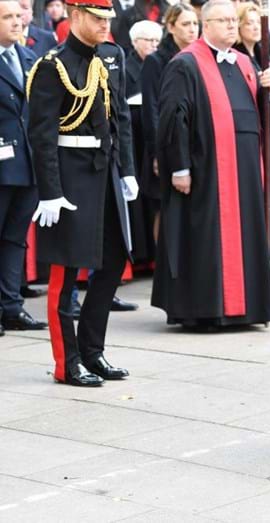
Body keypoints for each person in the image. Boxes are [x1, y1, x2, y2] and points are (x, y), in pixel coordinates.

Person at [28, 0, 137, 386]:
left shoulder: (111, 56)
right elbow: (40, 135)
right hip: (70, 177)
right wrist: (50, 192)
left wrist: (128, 170)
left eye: (108, 18)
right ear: (74, 16)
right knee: (65, 273)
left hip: (105, 173)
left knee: (111, 264)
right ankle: (67, 362)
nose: (105, 25)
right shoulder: (51, 65)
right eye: (96, 18)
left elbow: (120, 115)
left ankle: (93, 351)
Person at [152, 0, 270, 330]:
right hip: (207, 170)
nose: (232, 26)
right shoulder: (187, 64)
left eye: (233, 20)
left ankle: (247, 309)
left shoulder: (245, 62)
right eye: (223, 20)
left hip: (244, 171)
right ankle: (206, 310)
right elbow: (172, 119)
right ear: (206, 25)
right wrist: (179, 167)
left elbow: (258, 113)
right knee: (206, 239)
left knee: (246, 235)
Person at [0, 0, 47, 337]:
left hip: (27, 163)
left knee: (16, 239)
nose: (17, 23)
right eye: (8, 17)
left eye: (19, 16)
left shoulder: (27, 57)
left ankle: (11, 307)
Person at [140, 3, 198, 243]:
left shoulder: (199, 56)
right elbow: (152, 108)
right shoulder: (156, 61)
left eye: (195, 23)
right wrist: (156, 151)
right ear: (171, 27)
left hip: (192, 142)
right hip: (164, 143)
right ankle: (162, 264)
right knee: (164, 208)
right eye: (186, 24)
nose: (192, 29)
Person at [233, 1, 270, 244]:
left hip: (267, 131)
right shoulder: (238, 56)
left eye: (258, 22)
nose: (255, 27)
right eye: (249, 23)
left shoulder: (261, 54)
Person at [124, 19, 159, 266]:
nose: (153, 45)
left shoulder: (159, 66)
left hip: (149, 138)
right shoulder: (126, 67)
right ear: (135, 41)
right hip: (134, 138)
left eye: (157, 41)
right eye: (148, 40)